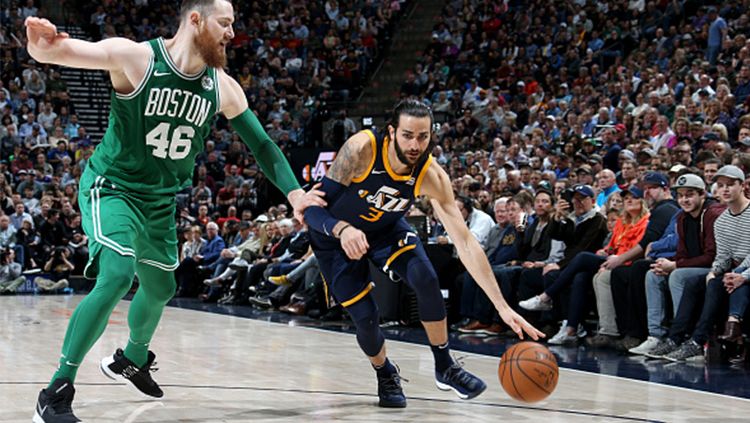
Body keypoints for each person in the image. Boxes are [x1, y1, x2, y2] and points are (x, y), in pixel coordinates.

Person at [25, 2, 325, 421]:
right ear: (195, 20)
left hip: (160, 201)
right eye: (225, 23)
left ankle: (131, 357)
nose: (232, 33)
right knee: (116, 273)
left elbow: (263, 146)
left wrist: (294, 194)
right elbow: (59, 52)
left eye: (234, 24)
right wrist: (41, 46)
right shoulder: (137, 57)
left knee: (162, 288)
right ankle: (56, 390)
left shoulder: (222, 87)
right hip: (113, 187)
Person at [304, 99, 542, 408]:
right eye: (407, 135)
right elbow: (311, 209)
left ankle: (445, 366)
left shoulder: (432, 175)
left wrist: (501, 306)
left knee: (426, 277)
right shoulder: (361, 149)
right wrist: (341, 230)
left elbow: (467, 243)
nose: (415, 144)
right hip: (334, 238)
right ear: (391, 132)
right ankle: (384, 371)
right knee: (366, 320)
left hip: (386, 230)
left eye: (423, 136)